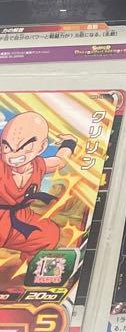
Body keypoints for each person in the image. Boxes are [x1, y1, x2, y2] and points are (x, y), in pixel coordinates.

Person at [0, 112, 77, 263]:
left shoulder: (39, 165)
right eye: (7, 147)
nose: (13, 155)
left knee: (49, 234)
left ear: (41, 147)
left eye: (25, 147)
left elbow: (60, 161)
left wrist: (69, 143)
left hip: (20, 219)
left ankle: (30, 269)